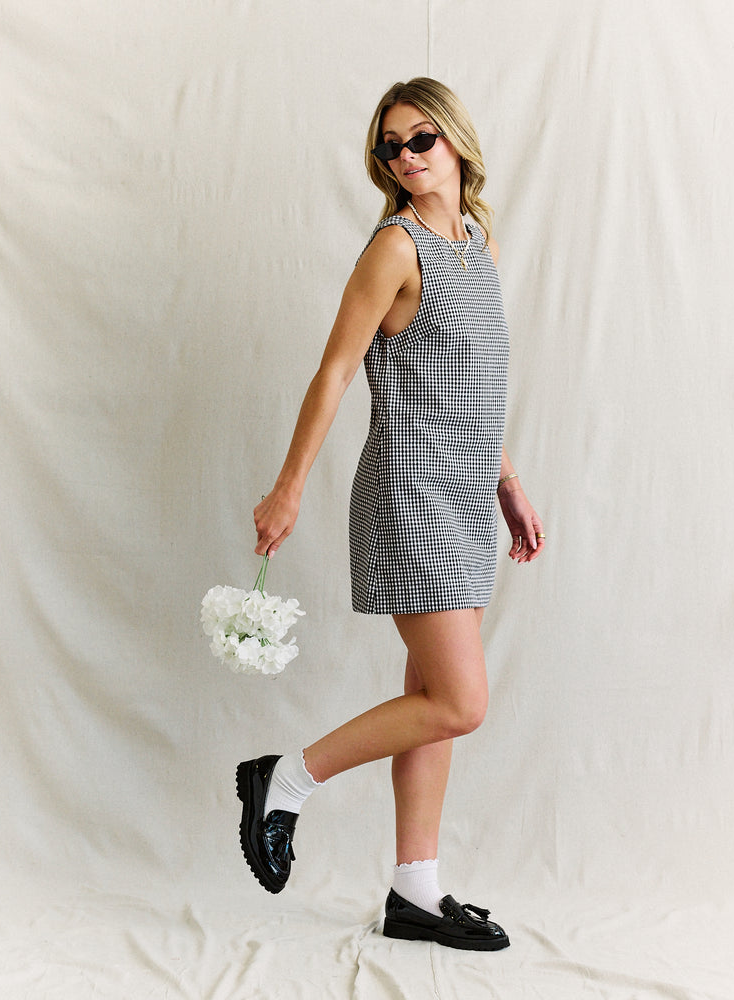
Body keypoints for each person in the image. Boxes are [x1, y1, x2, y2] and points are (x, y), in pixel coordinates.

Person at [236, 77, 545, 952]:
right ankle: (285, 779)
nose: (405, 158)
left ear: (455, 141)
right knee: (462, 700)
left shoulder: (473, 247)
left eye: (419, 140)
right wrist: (289, 486)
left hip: (464, 493)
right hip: (409, 495)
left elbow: (473, 389)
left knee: (430, 695)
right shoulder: (395, 249)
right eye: (389, 147)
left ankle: (415, 890)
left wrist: (507, 480)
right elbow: (334, 372)